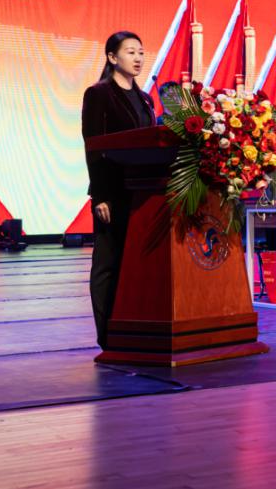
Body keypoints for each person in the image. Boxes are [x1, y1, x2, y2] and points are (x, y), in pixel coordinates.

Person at [81, 31, 155, 350]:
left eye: (141, 52)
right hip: (112, 193)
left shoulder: (146, 99)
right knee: (108, 265)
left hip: (142, 193)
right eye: (130, 52)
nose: (138, 58)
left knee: (135, 265)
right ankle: (107, 336)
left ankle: (131, 329)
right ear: (112, 57)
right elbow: (94, 146)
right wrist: (100, 195)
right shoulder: (99, 94)